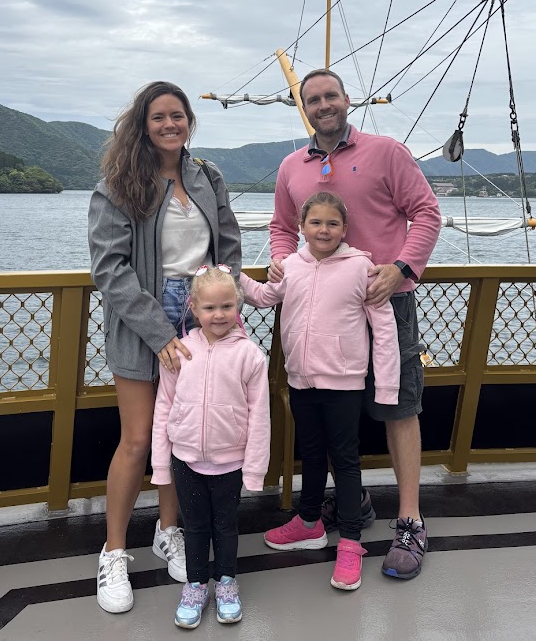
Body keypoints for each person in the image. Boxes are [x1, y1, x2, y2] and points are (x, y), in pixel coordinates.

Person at [268, 69, 440, 581]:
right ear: (305, 108)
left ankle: (410, 521)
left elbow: (426, 212)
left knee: (398, 405)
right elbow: (280, 227)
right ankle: (343, 506)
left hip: (387, 302)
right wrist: (281, 263)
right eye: (313, 99)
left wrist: (401, 269)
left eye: (331, 95)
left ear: (347, 100)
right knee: (326, 407)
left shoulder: (387, 151)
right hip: (320, 311)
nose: (323, 105)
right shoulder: (291, 167)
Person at [88, 81, 241, 614]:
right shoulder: (119, 184)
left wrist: (219, 309)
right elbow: (109, 268)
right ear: (143, 124)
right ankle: (112, 553)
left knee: (180, 437)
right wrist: (160, 334)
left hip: (200, 319)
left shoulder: (207, 178)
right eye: (159, 117)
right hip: (141, 324)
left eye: (178, 116)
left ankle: (168, 530)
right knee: (136, 441)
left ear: (189, 122)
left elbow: (229, 248)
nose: (169, 124)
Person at [241, 191, 399, 592]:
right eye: (315, 222)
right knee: (309, 454)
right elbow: (262, 297)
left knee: (344, 460)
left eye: (332, 223)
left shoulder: (361, 267)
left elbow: (384, 329)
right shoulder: (290, 266)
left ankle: (350, 541)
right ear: (301, 227)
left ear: (345, 229)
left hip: (344, 384)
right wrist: (231, 275)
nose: (323, 230)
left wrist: (387, 385)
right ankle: (309, 522)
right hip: (300, 380)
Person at [151, 265, 270, 629]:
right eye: (209, 308)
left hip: (230, 462)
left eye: (227, 306)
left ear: (238, 306)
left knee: (226, 526)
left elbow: (259, 416)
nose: (218, 315)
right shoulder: (180, 352)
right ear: (193, 307)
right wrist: (160, 463)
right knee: (196, 527)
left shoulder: (250, 355)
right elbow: (164, 408)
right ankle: (196, 583)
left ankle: (227, 581)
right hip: (185, 461)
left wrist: (254, 469)